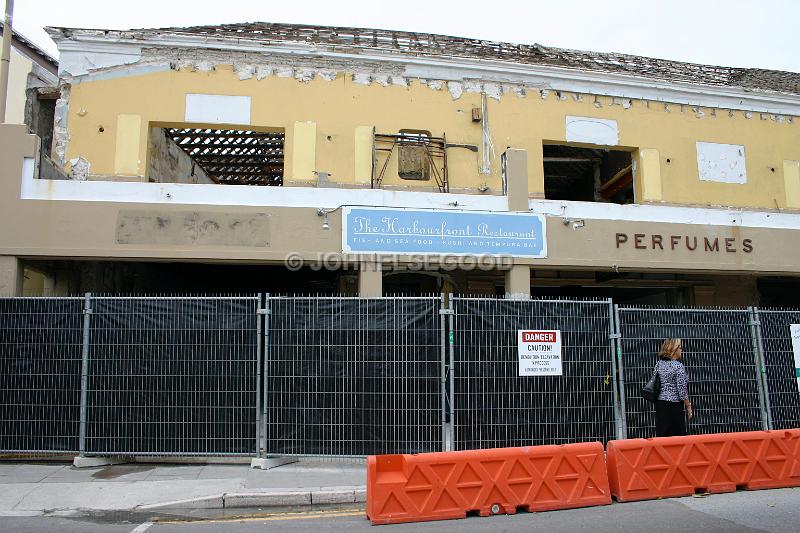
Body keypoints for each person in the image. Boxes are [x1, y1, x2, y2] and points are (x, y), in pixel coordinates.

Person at [654, 338, 692, 437]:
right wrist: (688, 406)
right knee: (678, 437)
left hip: (660, 404)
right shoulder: (678, 366)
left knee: (663, 435)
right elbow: (682, 390)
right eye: (679, 347)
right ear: (674, 349)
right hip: (674, 406)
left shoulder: (659, 364)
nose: (681, 350)